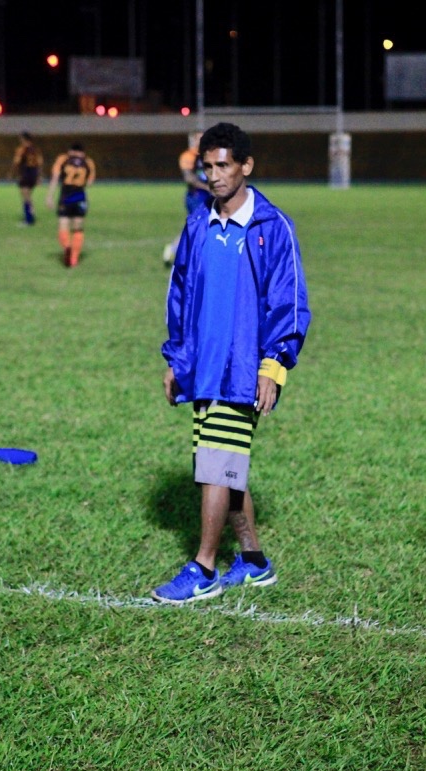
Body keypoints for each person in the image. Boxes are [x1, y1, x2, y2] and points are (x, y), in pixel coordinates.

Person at [153, 122, 311, 604]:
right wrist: (178, 359)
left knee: (217, 464)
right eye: (208, 167)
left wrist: (273, 366)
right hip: (203, 367)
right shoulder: (198, 222)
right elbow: (179, 294)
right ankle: (253, 561)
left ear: (246, 166)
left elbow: (288, 303)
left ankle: (203, 567)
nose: (215, 176)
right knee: (221, 464)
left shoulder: (271, 226)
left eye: (224, 165)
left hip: (244, 370)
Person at [162, 130, 212, 268]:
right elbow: (189, 178)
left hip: (209, 196)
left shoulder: (208, 155)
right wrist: (207, 187)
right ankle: (180, 253)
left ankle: (174, 250)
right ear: (192, 140)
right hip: (196, 197)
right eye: (198, 139)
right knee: (200, 227)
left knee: (201, 227)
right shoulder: (188, 156)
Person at [45, 142, 95, 267]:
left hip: (66, 197)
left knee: (63, 225)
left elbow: (55, 178)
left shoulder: (63, 159)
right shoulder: (88, 162)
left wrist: (49, 196)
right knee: (78, 228)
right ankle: (74, 259)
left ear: (70, 150)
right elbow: (90, 183)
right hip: (80, 197)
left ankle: (67, 247)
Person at [7, 131, 42, 225]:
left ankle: (28, 219)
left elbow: (16, 162)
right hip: (33, 174)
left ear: (24, 139)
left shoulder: (21, 149)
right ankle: (32, 213)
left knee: (25, 197)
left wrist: (11, 173)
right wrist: (39, 177)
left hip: (25, 174)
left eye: (21, 139)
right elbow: (39, 164)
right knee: (28, 196)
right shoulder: (36, 149)